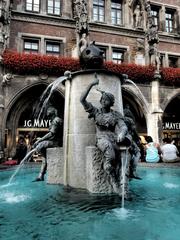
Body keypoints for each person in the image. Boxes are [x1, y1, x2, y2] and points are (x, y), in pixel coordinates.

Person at [80, 73, 130, 194]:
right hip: (102, 139)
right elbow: (82, 99)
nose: (103, 101)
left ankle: (124, 182)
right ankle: (113, 180)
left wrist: (122, 133)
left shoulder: (116, 114)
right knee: (110, 155)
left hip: (114, 138)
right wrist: (91, 84)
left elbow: (123, 127)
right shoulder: (95, 112)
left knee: (126, 154)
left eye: (106, 100)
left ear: (111, 102)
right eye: (102, 99)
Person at [33, 106, 63, 181]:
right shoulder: (54, 120)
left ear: (51, 113)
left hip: (56, 143)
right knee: (44, 157)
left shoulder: (56, 120)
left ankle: (41, 174)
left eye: (48, 112)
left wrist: (40, 140)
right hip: (54, 141)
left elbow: (51, 134)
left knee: (40, 146)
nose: (47, 113)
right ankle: (41, 175)